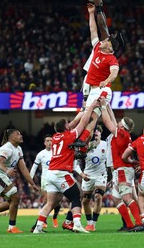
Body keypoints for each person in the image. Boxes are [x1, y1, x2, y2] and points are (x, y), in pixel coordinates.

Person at [32, 100, 99, 234]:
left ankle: (38, 227)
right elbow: (83, 122)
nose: (70, 124)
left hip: (50, 173)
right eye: (68, 124)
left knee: (51, 203)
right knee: (77, 195)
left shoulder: (56, 136)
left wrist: (83, 109)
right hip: (60, 173)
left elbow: (74, 123)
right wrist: (91, 108)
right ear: (66, 128)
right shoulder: (69, 136)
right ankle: (77, 224)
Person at [0, 129, 40, 233]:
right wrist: (7, 170)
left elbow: (23, 169)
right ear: (12, 137)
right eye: (18, 134)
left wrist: (32, 183)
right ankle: (11, 227)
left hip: (1, 175)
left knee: (13, 200)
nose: (21, 135)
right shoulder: (7, 148)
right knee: (15, 196)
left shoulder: (19, 149)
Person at [99, 97, 144, 232]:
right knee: (116, 198)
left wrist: (102, 107)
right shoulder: (123, 134)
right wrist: (107, 105)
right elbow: (112, 120)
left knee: (126, 197)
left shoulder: (121, 133)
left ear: (122, 126)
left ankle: (138, 223)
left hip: (122, 170)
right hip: (120, 169)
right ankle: (129, 225)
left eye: (119, 123)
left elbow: (107, 121)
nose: (116, 123)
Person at [82, 0, 124, 116]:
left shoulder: (110, 57)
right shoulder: (99, 46)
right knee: (86, 115)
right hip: (89, 81)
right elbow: (94, 30)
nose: (106, 38)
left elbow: (102, 27)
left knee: (90, 117)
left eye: (111, 38)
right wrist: (92, 12)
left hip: (97, 87)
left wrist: (99, 7)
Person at [29, 134, 61, 230]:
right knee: (46, 200)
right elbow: (34, 167)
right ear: (44, 143)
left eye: (51, 140)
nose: (50, 142)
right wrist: (30, 181)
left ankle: (54, 217)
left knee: (56, 202)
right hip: (45, 180)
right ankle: (42, 221)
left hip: (56, 179)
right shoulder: (40, 154)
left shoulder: (57, 152)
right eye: (47, 141)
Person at [81, 125, 108, 231]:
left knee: (98, 197)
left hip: (100, 175)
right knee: (85, 201)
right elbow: (77, 161)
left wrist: (111, 175)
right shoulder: (85, 146)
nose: (96, 133)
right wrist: (82, 174)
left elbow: (111, 159)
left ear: (101, 134)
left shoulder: (105, 145)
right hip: (88, 175)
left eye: (98, 131)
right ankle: (89, 222)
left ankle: (93, 224)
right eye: (94, 131)